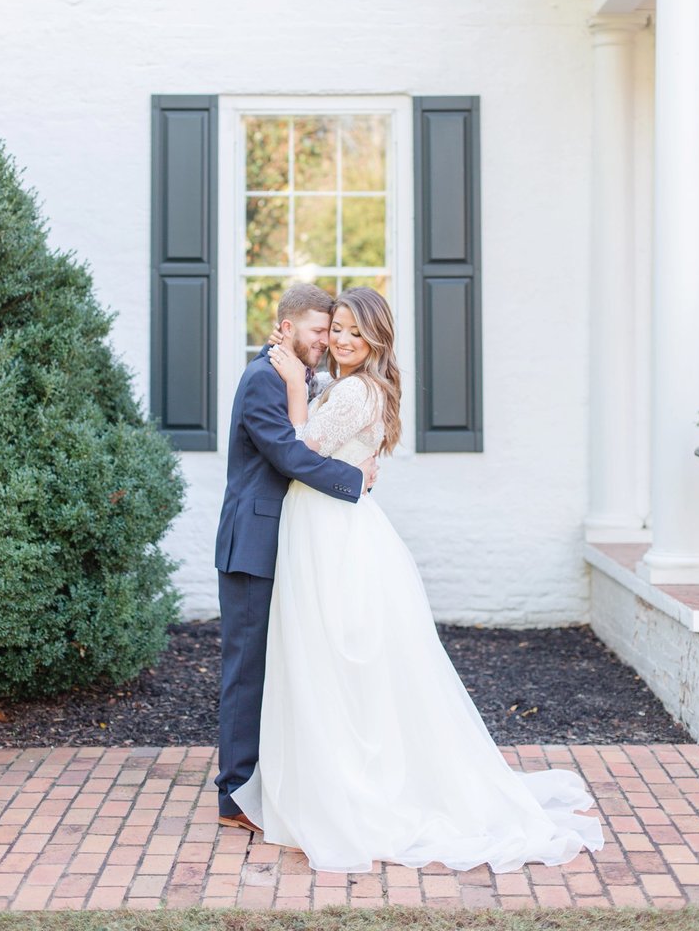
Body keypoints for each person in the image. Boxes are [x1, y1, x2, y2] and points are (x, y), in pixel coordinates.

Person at [233, 286, 604, 873]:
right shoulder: (339, 386)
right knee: (322, 657)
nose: (343, 339)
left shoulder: (354, 390)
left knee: (337, 657)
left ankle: (355, 787)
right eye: (338, 329)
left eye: (356, 331)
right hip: (320, 526)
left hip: (332, 533)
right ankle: (325, 780)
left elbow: (300, 447)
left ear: (377, 338)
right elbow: (331, 453)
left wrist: (294, 390)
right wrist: (319, 414)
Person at [214, 283, 379, 831]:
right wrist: (354, 480)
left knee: (280, 667)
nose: (326, 342)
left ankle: (273, 784)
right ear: (284, 327)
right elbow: (290, 454)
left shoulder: (304, 378)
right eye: (318, 331)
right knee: (247, 671)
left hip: (284, 542)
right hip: (252, 545)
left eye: (331, 331)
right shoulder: (264, 378)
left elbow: (343, 405)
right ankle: (235, 797)